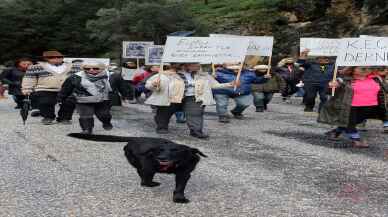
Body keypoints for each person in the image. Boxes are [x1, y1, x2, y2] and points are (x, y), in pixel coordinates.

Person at [145, 63, 235, 139]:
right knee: (164, 113)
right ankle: (162, 127)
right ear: (184, 65)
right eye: (195, 64)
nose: (198, 65)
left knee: (195, 113)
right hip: (171, 98)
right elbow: (148, 85)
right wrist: (154, 84)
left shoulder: (203, 75)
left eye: (198, 63)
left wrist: (230, 84)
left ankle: (196, 131)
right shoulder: (166, 74)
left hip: (193, 98)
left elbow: (215, 85)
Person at [318, 66, 388, 148]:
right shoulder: (344, 80)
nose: (366, 69)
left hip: (371, 107)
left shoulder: (376, 78)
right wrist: (331, 86)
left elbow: (386, 89)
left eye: (369, 68)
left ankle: (336, 131)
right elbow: (329, 92)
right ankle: (356, 140)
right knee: (350, 122)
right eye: (362, 68)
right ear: (352, 69)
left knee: (355, 121)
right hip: (350, 107)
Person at [22, 50, 80, 125]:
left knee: (69, 102)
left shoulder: (74, 67)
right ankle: (48, 117)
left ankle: (64, 118)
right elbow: (29, 78)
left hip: (68, 89)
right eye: (51, 57)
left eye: (59, 57)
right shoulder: (35, 67)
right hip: (45, 88)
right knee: (45, 102)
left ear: (62, 57)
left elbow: (80, 77)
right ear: (45, 58)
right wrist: (27, 88)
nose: (56, 58)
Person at [58, 61, 114, 134]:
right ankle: (87, 130)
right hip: (83, 100)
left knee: (104, 115)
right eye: (87, 68)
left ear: (102, 68)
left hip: (102, 100)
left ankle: (106, 122)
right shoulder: (75, 76)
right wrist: (61, 98)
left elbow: (121, 86)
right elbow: (66, 88)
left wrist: (127, 96)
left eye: (95, 68)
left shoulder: (110, 76)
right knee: (85, 115)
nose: (91, 70)